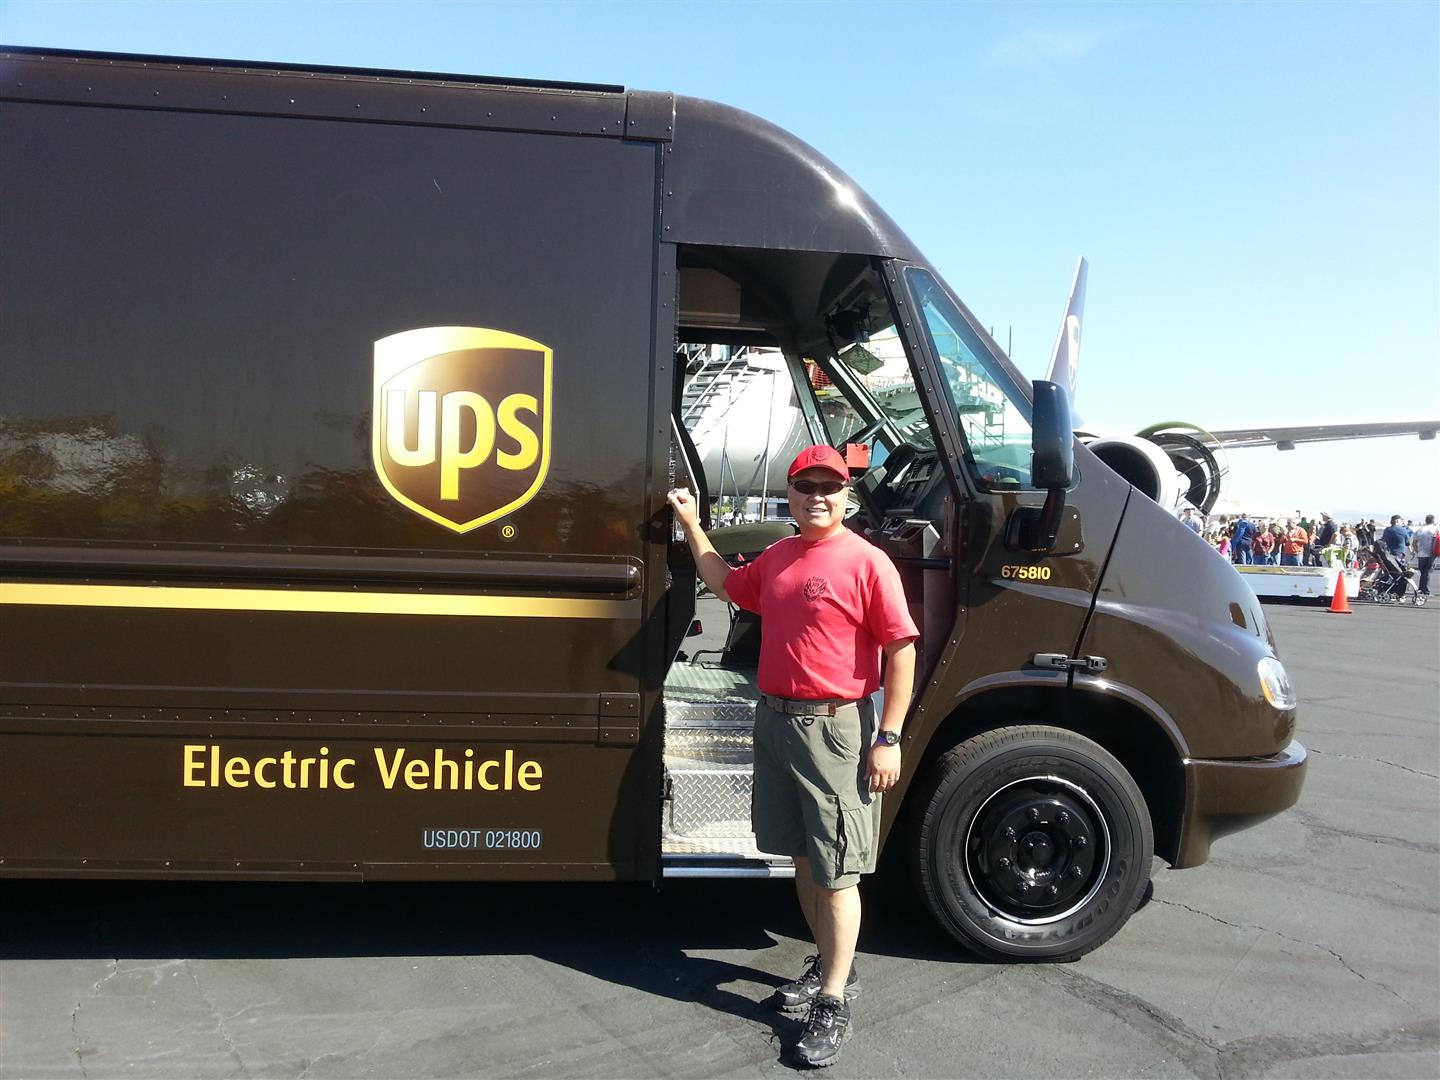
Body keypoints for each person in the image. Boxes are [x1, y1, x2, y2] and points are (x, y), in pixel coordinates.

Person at [667, 445, 918, 1068]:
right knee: (803, 859)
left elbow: (901, 651)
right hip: (775, 723)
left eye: (830, 486)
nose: (818, 497)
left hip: (835, 730)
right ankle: (832, 964)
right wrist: (692, 524)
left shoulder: (868, 562)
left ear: (847, 495)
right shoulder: (779, 556)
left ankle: (833, 998)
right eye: (807, 486)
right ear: (792, 493)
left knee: (836, 871)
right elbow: (726, 582)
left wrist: (888, 737)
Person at [1411, 514, 1436, 598]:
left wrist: (1417, 551)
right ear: (1433, 521)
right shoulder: (1435, 529)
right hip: (1431, 553)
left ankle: (1421, 589)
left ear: (1426, 521)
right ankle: (1425, 591)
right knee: (1427, 572)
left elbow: (1414, 542)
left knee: (1423, 572)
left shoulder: (1420, 529)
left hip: (1421, 554)